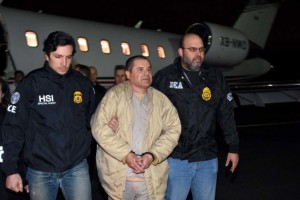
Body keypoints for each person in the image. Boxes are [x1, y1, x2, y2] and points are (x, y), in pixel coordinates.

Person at [1, 31, 95, 200]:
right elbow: (14, 127)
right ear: (46, 55)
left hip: (76, 167)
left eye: (68, 57)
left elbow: (91, 120)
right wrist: (11, 170)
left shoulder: (82, 84)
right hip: (40, 171)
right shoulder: (32, 83)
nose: (64, 63)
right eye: (58, 56)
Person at [152, 33, 239, 200]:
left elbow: (226, 113)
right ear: (180, 51)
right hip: (176, 158)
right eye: (192, 49)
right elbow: (149, 112)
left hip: (207, 157)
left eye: (201, 49)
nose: (198, 54)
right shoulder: (164, 77)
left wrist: (233, 147)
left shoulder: (215, 77)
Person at [91, 55, 181, 200]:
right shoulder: (114, 96)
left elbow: (174, 129)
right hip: (119, 181)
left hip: (150, 180)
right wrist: (127, 155)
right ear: (128, 74)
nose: (146, 73)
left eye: (148, 69)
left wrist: (152, 155)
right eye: (140, 69)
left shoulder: (161, 100)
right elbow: (98, 128)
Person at [0, 77, 29, 200]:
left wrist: (26, 179)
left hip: (6, 176)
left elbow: (21, 149)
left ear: (2, 94)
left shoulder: (10, 117)